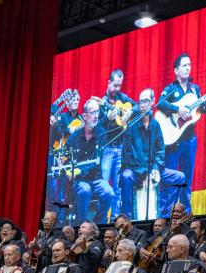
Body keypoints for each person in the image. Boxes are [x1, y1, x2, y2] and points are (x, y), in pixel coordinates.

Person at [157, 53, 206, 214]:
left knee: (187, 178)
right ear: (176, 70)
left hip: (190, 139)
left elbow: (202, 109)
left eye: (189, 65)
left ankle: (186, 213)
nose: (188, 68)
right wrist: (178, 109)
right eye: (184, 65)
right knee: (171, 180)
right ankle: (166, 214)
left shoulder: (194, 89)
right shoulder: (171, 89)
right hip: (173, 141)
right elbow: (160, 104)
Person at [120, 88, 186, 219]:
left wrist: (155, 169)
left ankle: (165, 215)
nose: (142, 105)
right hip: (136, 171)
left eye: (146, 101)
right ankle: (127, 217)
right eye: (140, 102)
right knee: (126, 176)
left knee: (179, 177)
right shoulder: (131, 126)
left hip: (152, 170)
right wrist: (144, 173)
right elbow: (127, 156)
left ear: (153, 102)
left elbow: (160, 152)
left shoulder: (156, 125)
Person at [65, 99, 114, 224]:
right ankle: (81, 224)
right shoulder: (75, 137)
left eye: (97, 112)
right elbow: (65, 157)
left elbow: (96, 163)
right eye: (93, 112)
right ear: (85, 116)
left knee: (109, 193)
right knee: (84, 190)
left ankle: (98, 223)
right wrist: (67, 169)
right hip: (80, 181)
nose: (96, 116)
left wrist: (79, 171)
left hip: (96, 178)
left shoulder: (101, 134)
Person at [98, 69, 137, 219]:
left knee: (117, 188)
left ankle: (115, 219)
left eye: (119, 85)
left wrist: (129, 113)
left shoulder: (122, 97)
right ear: (108, 83)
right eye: (115, 85)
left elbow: (136, 105)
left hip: (120, 148)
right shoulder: (102, 103)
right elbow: (98, 129)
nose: (117, 89)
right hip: (107, 150)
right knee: (104, 188)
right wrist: (107, 118)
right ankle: (101, 221)